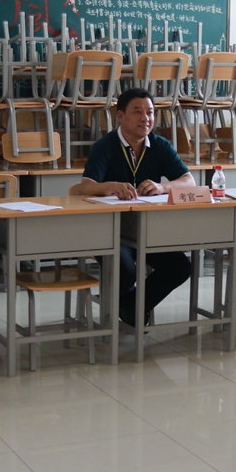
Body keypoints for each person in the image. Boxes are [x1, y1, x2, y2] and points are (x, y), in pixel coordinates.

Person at [71, 88, 197, 327]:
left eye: (150, 112)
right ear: (121, 116)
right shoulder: (105, 146)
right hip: (110, 231)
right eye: (137, 112)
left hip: (147, 230)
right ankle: (133, 306)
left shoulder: (160, 145)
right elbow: (85, 187)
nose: (145, 118)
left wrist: (162, 187)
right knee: (125, 270)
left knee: (180, 266)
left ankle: (131, 305)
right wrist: (111, 186)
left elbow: (188, 181)